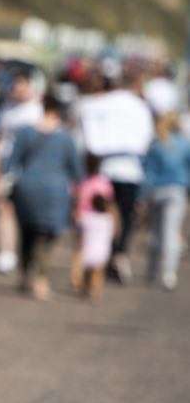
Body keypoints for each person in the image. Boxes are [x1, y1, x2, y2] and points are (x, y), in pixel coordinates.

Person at [75, 72, 153, 284]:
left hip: (104, 169)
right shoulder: (140, 107)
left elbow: (87, 140)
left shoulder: (98, 104)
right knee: (125, 217)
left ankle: (102, 254)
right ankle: (118, 253)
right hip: (130, 171)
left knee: (101, 215)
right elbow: (146, 141)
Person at [5, 95, 81, 301]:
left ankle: (24, 273)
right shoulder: (66, 138)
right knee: (48, 235)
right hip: (55, 191)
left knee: (27, 233)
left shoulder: (26, 132)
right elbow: (77, 171)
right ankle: (41, 277)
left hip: (26, 188)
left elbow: (11, 163)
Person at [0, 72, 43, 275]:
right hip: (8, 166)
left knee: (30, 213)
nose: (16, 89)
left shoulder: (39, 110)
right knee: (5, 208)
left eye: (21, 85)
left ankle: (31, 254)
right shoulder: (6, 108)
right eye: (14, 85)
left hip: (31, 167)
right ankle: (7, 252)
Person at [142, 111, 190, 291]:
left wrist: (143, 195)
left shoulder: (156, 144)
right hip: (177, 191)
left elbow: (148, 171)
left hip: (156, 191)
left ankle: (152, 269)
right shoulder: (185, 145)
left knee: (155, 231)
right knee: (171, 233)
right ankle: (169, 273)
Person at [72, 154, 115, 302]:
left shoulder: (83, 182)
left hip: (84, 219)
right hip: (98, 221)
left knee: (80, 252)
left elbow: (77, 199)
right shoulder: (104, 183)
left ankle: (79, 281)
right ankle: (95, 290)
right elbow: (110, 203)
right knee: (98, 266)